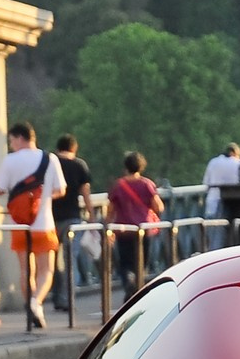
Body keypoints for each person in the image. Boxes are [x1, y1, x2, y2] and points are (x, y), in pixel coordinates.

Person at [0, 121, 66, 329]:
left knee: (25, 270)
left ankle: (29, 303)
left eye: (12, 140)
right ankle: (36, 302)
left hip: (19, 224)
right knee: (46, 270)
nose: (11, 144)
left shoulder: (10, 160)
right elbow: (61, 189)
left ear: (20, 137)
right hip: (44, 223)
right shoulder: (50, 159)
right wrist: (43, 197)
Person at [107, 150, 164, 304]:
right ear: (141, 166)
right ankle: (138, 291)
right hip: (144, 229)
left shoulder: (118, 185)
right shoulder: (147, 184)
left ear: (125, 166)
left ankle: (129, 284)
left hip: (123, 229)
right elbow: (158, 206)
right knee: (142, 262)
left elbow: (110, 209)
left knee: (125, 263)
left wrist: (107, 227)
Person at [50, 133, 95, 313]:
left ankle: (57, 297)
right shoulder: (79, 165)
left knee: (52, 260)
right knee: (71, 259)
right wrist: (91, 216)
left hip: (50, 218)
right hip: (73, 218)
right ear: (74, 148)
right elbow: (85, 193)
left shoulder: (50, 163)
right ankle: (69, 299)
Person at [201, 142, 240, 251]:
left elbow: (206, 183)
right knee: (228, 236)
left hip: (212, 204)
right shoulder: (238, 164)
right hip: (232, 205)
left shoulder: (213, 162)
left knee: (211, 237)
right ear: (235, 153)